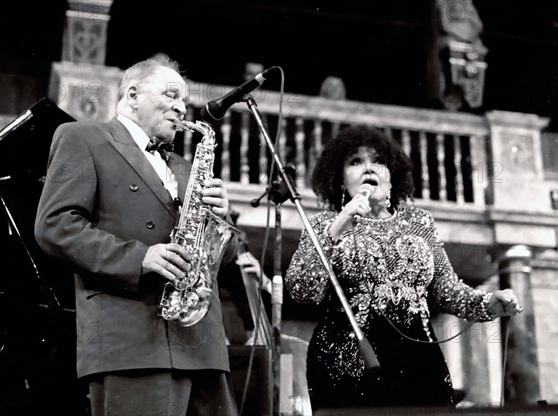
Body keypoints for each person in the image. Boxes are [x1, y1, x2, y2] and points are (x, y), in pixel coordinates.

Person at [34, 54, 239, 416]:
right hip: (132, 344)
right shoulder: (82, 137)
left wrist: (218, 218)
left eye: (184, 101)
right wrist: (139, 257)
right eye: (171, 96)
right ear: (131, 94)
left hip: (201, 345)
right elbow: (55, 225)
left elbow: (220, 257)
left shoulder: (186, 167)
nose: (181, 108)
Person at [284, 125, 523, 410]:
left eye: (378, 160)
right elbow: (301, 289)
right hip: (349, 358)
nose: (368, 168)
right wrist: (340, 223)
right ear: (340, 179)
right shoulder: (324, 224)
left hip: (418, 359)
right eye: (355, 161)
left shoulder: (420, 223)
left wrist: (487, 303)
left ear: (393, 177)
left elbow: (445, 289)